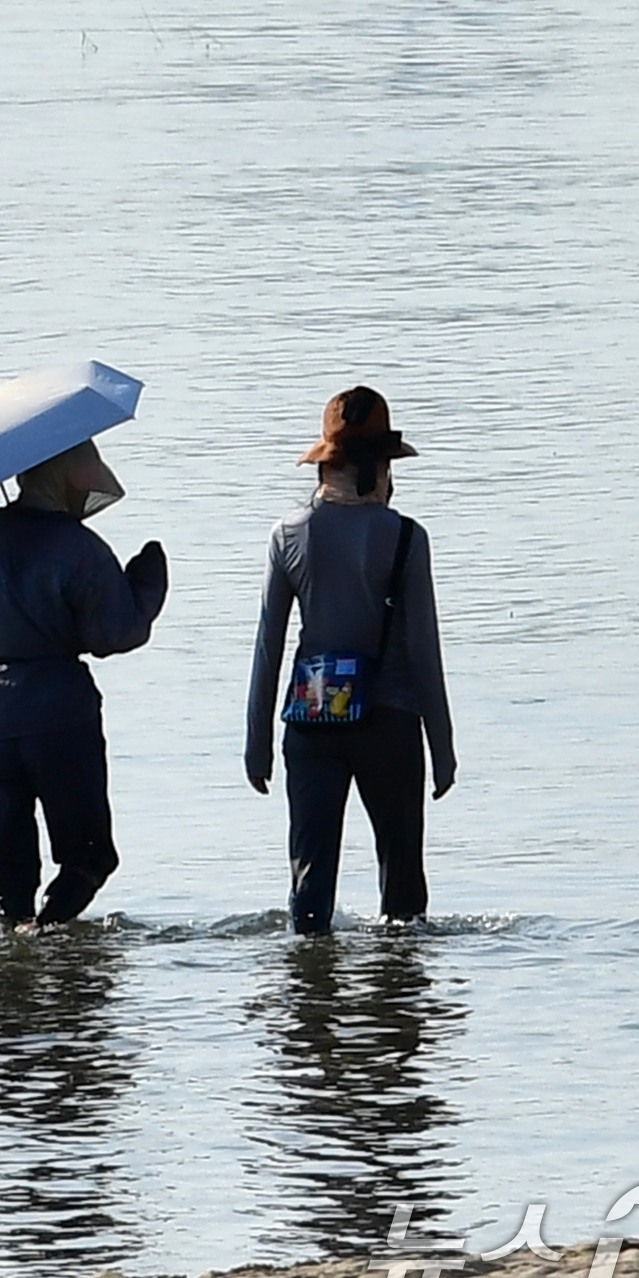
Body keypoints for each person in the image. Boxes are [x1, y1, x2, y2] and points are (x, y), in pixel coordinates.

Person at [245, 386, 455, 934]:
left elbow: (269, 645)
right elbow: (423, 650)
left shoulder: (286, 534)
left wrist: (256, 744)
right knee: (403, 887)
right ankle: (399, 1000)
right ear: (378, 470)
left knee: (309, 886)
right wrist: (443, 747)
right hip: (391, 723)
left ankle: (310, 998)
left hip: (311, 723)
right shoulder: (406, 537)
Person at [0, 439, 167, 930]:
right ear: (63, 473)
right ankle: (50, 934)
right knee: (89, 858)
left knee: (10, 881)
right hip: (61, 715)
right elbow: (114, 635)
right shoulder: (79, 547)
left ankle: (17, 950)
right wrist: (146, 587)